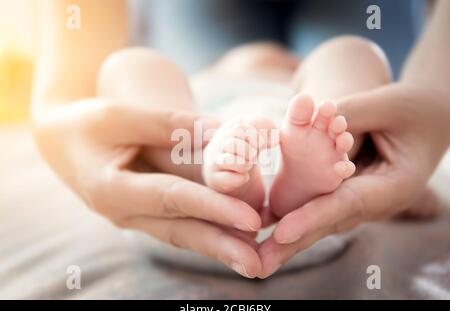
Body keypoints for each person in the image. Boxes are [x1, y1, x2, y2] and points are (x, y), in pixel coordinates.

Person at [31, 0, 450, 278]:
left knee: (132, 67)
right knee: (352, 54)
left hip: (217, 118)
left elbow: (402, 159)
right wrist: (57, 102)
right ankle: (273, 178)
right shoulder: (274, 82)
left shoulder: (202, 79)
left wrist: (435, 99)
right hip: (241, 120)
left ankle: (213, 167)